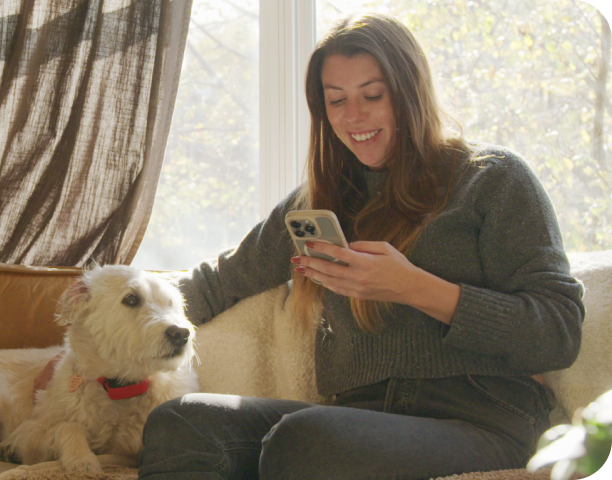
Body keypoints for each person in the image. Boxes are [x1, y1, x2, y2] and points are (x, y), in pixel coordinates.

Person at [37, 12, 584, 480]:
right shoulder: (319, 203)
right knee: (181, 421)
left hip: (483, 416)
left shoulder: (492, 180)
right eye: (336, 101)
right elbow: (213, 283)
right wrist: (75, 348)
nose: (354, 117)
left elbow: (559, 330)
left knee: (306, 439)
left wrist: (415, 288)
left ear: (410, 92)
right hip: (362, 413)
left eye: (373, 95)